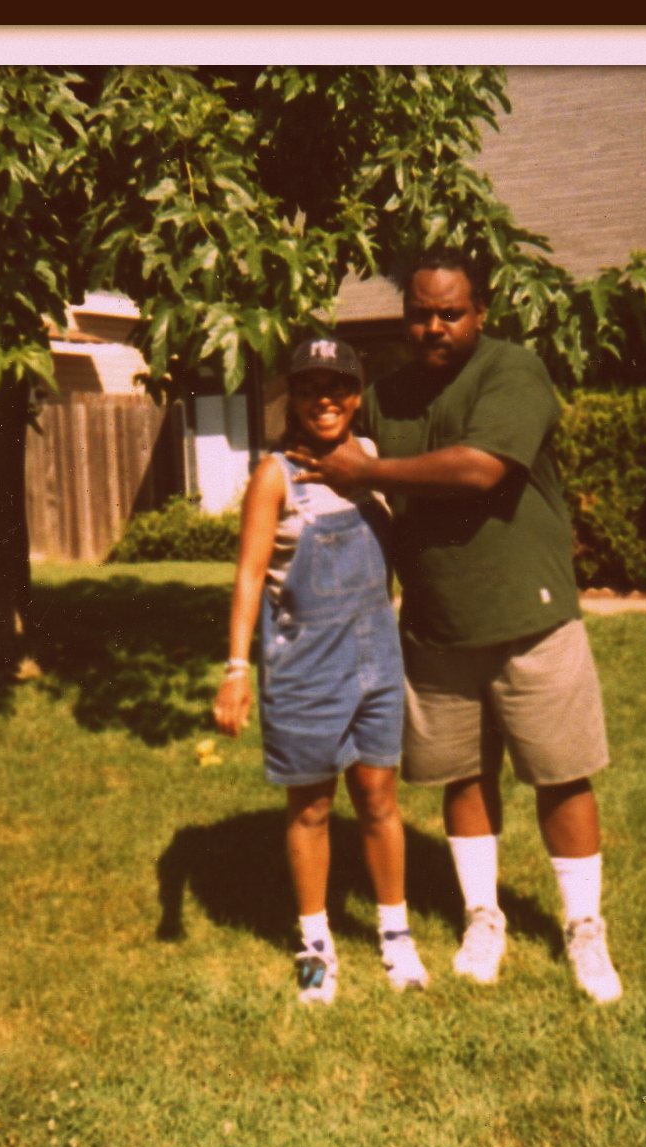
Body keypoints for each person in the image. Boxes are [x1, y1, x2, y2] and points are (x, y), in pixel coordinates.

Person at [288, 246, 623, 1004]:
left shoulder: (513, 371)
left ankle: (584, 928)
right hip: (436, 625)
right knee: (463, 776)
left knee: (560, 774)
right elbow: (329, 448)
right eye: (420, 314)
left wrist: (369, 472)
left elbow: (481, 468)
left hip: (529, 613)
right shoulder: (389, 395)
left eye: (451, 313)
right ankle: (482, 917)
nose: (434, 327)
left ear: (480, 313)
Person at [212, 337, 430, 1005]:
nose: (324, 400)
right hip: (304, 667)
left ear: (357, 397)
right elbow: (249, 576)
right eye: (310, 388)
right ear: (294, 399)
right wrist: (236, 669)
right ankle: (314, 946)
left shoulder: (373, 461)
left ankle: (395, 934)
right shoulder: (273, 475)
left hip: (376, 659)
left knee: (378, 799)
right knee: (309, 809)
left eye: (337, 387)